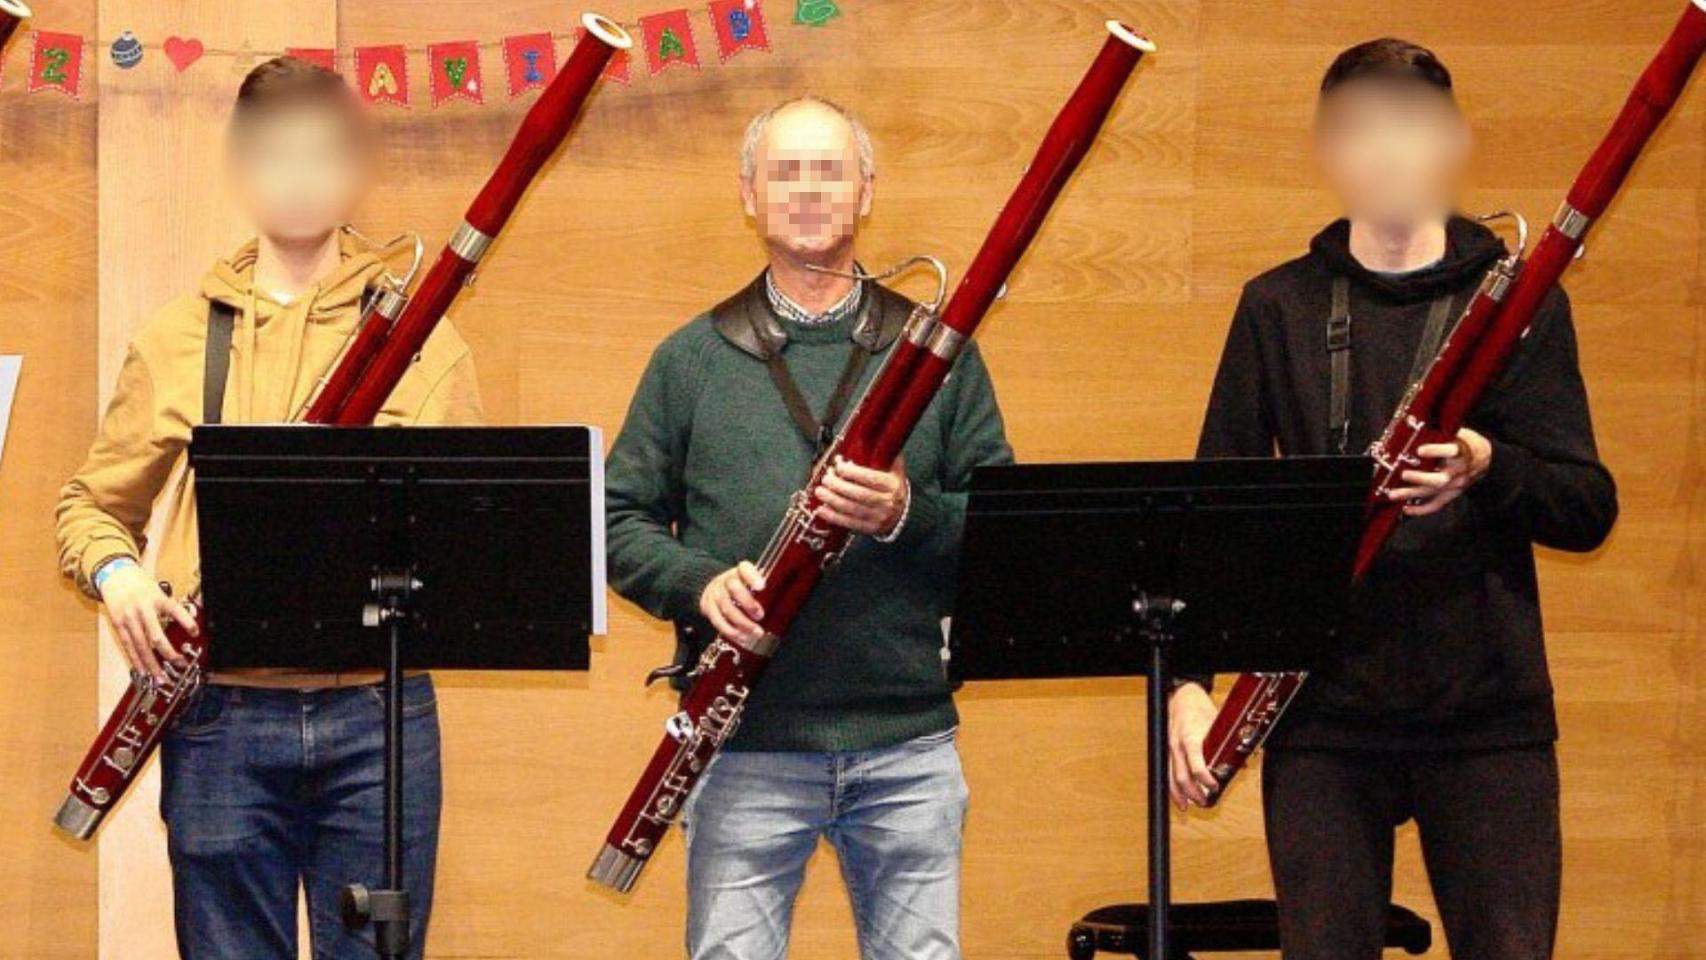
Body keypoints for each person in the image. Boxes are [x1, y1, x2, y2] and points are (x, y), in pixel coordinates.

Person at [1167, 38, 1618, 960]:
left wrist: (1489, 464)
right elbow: (1218, 514)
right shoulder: (1278, 307)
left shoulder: (1521, 306)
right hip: (1321, 717)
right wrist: (1187, 687)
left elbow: (1586, 506)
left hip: (1489, 719)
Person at [55, 57, 482, 960]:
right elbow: (91, 505)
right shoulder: (176, 337)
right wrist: (118, 573)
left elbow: (468, 529)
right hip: (220, 717)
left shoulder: (426, 339)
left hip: (379, 716)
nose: (298, 177)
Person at [604, 95, 1012, 960]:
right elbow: (617, 520)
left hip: (907, 743)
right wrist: (698, 584)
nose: (808, 190)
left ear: (867, 190)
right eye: (785, 172)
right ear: (748, 195)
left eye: (830, 170)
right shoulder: (690, 358)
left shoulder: (941, 354)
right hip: (745, 743)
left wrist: (906, 514)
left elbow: (1006, 534)